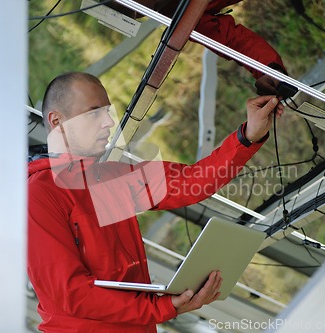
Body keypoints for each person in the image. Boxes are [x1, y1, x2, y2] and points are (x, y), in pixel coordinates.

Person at [27, 72, 283, 332]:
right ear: (57, 121)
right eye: (94, 113)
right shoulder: (38, 195)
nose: (108, 122)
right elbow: (71, 293)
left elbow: (191, 182)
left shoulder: (111, 177)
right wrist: (162, 308)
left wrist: (248, 136)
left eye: (107, 112)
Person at [107, 0, 288, 95]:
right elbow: (233, 41)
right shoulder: (183, 18)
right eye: (143, 10)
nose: (153, 5)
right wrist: (268, 70)